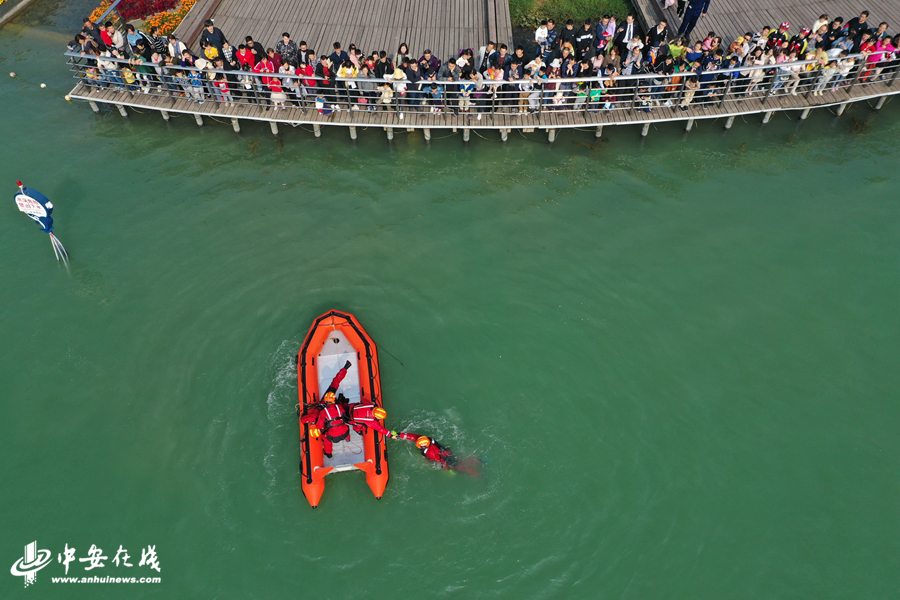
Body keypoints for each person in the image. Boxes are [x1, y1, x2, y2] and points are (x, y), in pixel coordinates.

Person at [301, 362, 353, 458]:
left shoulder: (321, 411)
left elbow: (318, 423)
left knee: (326, 437)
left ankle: (328, 454)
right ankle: (348, 439)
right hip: (346, 432)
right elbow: (337, 381)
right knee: (341, 425)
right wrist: (345, 368)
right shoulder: (339, 407)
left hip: (334, 437)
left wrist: (303, 419)